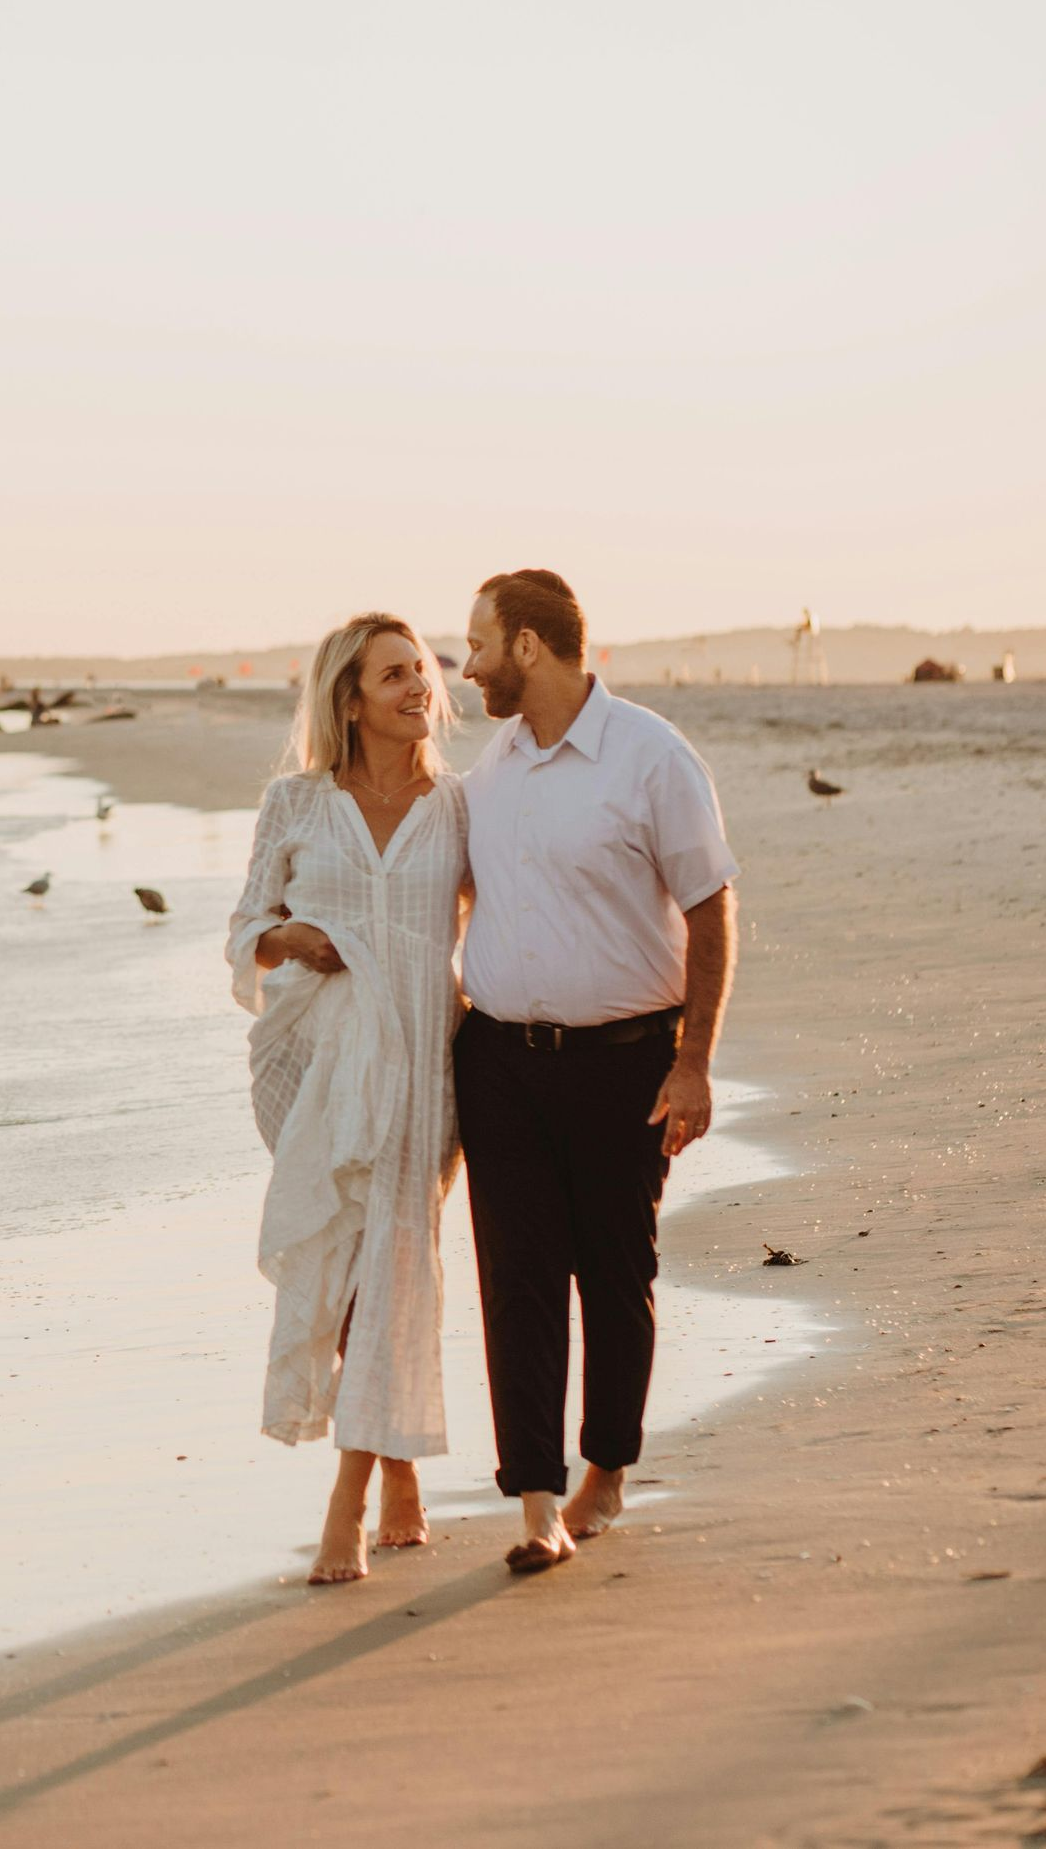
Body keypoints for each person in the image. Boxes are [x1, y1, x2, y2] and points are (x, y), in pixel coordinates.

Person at [455, 569, 739, 1574]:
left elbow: (709, 908)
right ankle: (537, 1501)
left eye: (478, 644)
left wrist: (694, 1062)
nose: (467, 665)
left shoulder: (650, 755)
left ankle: (606, 1470)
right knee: (517, 1280)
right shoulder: (489, 771)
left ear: (528, 645)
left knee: (615, 1275)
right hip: (499, 1063)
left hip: (625, 1063)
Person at [226, 614, 468, 1585]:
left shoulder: (457, 807)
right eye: (394, 673)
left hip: (424, 1060)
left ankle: (350, 1502)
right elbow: (247, 927)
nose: (419, 686)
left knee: (393, 1260)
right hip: (313, 1066)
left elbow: (502, 919)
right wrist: (294, 938)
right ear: (351, 698)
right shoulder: (294, 800)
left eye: (422, 670)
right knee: (348, 1254)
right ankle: (399, 1470)